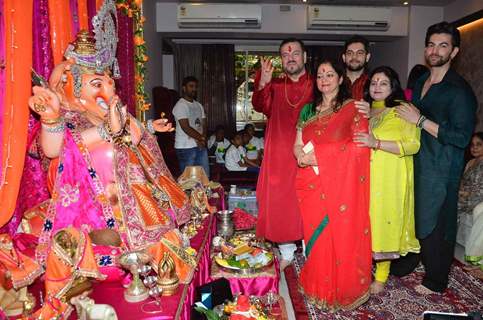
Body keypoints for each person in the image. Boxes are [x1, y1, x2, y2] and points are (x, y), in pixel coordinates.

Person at [27, 31, 191, 264]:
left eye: (109, 84)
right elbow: (55, 150)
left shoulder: (105, 112)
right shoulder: (69, 115)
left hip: (130, 202)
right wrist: (52, 119)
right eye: (96, 84)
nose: (108, 91)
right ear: (74, 89)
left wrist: (148, 127)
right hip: (92, 208)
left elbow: (131, 135)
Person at [392, 21, 477, 293]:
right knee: (415, 217)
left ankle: (437, 280)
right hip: (417, 162)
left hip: (442, 169)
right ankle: (409, 262)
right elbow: (410, 115)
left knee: (438, 224)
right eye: (431, 44)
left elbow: (461, 137)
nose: (435, 50)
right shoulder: (421, 82)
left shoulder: (459, 91)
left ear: (453, 52)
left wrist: (421, 121)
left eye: (443, 45)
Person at [293, 59, 371, 310]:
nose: (324, 79)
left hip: (338, 186)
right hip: (310, 182)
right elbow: (297, 141)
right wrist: (300, 155)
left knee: (336, 236)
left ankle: (338, 290)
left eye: (329, 74)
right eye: (319, 75)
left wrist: (321, 155)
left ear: (340, 78)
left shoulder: (353, 109)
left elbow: (360, 146)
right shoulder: (308, 110)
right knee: (314, 238)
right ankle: (317, 285)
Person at [353, 66, 421, 294]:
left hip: (389, 180)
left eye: (383, 83)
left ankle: (381, 277)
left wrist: (377, 144)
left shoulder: (403, 110)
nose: (377, 87)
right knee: (363, 224)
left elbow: (413, 145)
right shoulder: (365, 111)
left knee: (384, 224)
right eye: (373, 83)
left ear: (393, 87)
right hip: (362, 178)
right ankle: (361, 270)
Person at [252, 38, 313, 269]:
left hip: (309, 153)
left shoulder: (319, 84)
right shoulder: (275, 85)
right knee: (282, 203)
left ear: (304, 57)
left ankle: (311, 251)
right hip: (279, 154)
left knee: (309, 201)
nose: (291, 58)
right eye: (286, 55)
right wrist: (262, 84)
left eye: (296, 53)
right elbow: (260, 105)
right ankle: (287, 251)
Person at [457, 132, 483, 278]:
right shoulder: (470, 162)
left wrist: (464, 194)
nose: (474, 148)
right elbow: (462, 181)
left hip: (477, 198)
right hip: (464, 194)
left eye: (479, 144)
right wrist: (459, 190)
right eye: (472, 145)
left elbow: (480, 188)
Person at [172, 76, 210, 176]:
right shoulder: (180, 105)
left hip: (200, 145)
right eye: (191, 86)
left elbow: (204, 124)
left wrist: (203, 139)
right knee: (188, 181)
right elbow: (186, 127)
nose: (194, 89)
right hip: (185, 148)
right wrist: (201, 139)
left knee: (204, 177)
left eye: (196, 86)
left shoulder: (198, 105)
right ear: (184, 88)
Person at [342, 35, 371, 101]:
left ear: (367, 57)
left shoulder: (374, 83)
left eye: (359, 53)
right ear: (344, 57)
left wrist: (370, 111)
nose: (354, 57)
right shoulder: (334, 82)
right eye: (350, 53)